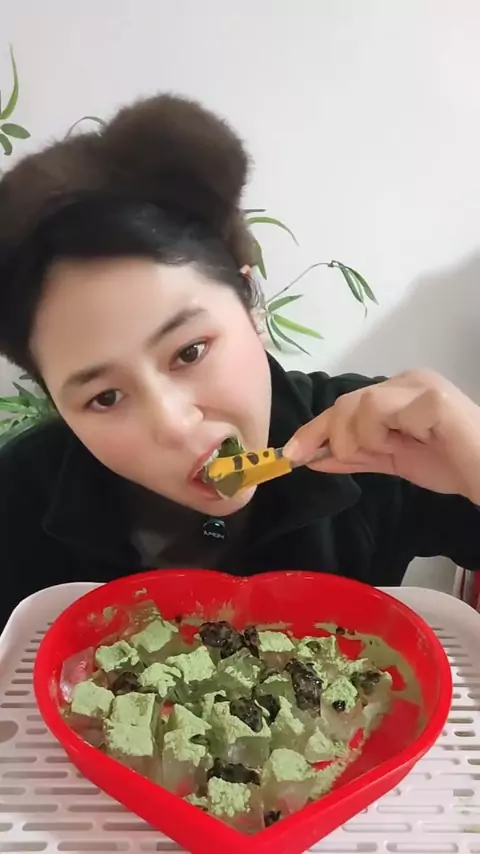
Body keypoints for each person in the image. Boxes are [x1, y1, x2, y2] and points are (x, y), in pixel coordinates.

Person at [0, 93, 479, 630]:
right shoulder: (16, 496)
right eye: (105, 397)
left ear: (251, 304)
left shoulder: (380, 446)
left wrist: (475, 463)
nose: (173, 424)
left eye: (190, 352)